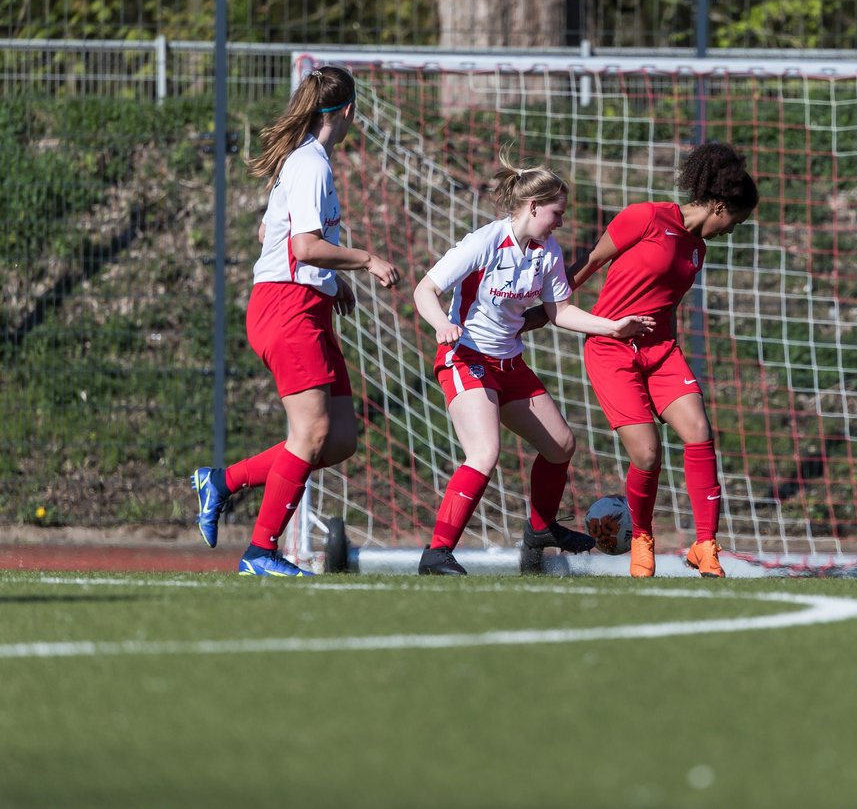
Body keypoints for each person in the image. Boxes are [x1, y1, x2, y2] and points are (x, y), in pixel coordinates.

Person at [190, 65, 402, 576]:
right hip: (286, 307)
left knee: (340, 437)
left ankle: (221, 482)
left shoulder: (306, 160)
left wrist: (334, 281)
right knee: (310, 433)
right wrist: (365, 259)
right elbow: (302, 245)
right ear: (349, 111)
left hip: (305, 303)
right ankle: (261, 552)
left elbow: (272, 232)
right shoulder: (311, 163)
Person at [413, 152, 656, 576]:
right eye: (556, 213)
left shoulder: (548, 251)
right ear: (532, 206)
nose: (561, 222)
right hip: (465, 356)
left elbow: (559, 311)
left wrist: (614, 327)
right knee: (484, 452)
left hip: (508, 362)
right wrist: (441, 325)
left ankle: (541, 528)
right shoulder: (485, 241)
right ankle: (436, 554)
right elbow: (425, 289)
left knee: (560, 445)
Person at [561, 142, 758, 578]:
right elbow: (591, 261)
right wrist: (546, 309)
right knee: (647, 454)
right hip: (611, 349)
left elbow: (662, 305)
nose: (731, 230)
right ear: (720, 206)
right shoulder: (646, 216)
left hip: (662, 352)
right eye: (735, 221)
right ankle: (641, 542)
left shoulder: (697, 250)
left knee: (699, 432)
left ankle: (705, 546)